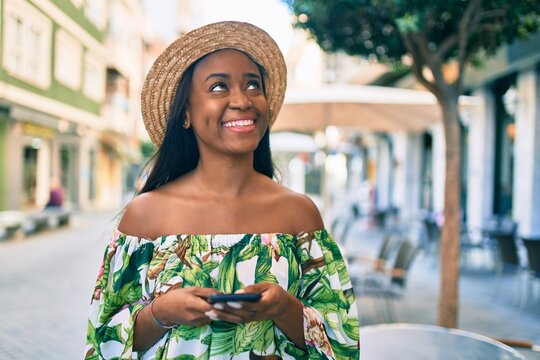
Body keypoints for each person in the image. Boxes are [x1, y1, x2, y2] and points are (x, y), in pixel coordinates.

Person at [86, 21, 360, 359]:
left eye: (252, 85)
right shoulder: (145, 215)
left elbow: (344, 343)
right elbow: (100, 342)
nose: (242, 100)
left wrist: (286, 308)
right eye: (218, 87)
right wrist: (162, 312)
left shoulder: (299, 214)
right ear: (185, 113)